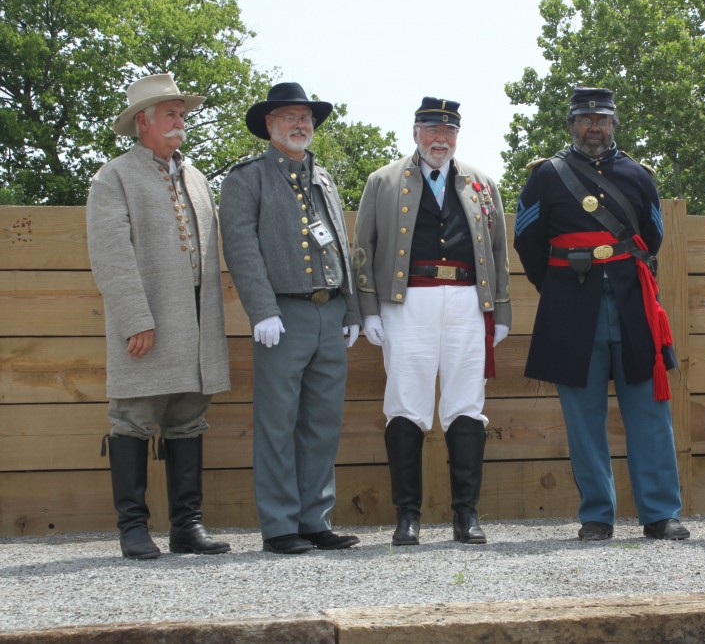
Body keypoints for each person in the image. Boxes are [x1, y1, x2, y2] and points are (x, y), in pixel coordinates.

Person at [513, 87, 688, 542]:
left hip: (632, 304)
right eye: (585, 119)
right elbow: (527, 241)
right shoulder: (545, 177)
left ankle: (660, 513)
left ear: (614, 124)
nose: (594, 127)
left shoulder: (638, 175)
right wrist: (553, 289)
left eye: (602, 119)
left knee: (650, 412)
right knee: (582, 417)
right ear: (570, 124)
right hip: (570, 307)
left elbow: (653, 236)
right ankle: (597, 515)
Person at [87, 73, 232, 559]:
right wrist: (134, 319)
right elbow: (110, 255)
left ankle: (186, 527)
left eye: (182, 113)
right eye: (170, 113)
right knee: (132, 416)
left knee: (188, 418)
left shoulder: (194, 176)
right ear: (142, 121)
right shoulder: (114, 176)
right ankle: (132, 528)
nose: (180, 121)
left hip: (196, 323)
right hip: (149, 321)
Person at [354, 97, 510, 546]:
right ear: (415, 132)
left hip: (467, 303)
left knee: (466, 404)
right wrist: (368, 308)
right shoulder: (382, 181)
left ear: (457, 136)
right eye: (431, 130)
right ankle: (407, 517)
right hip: (408, 304)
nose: (440, 139)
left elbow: (499, 253)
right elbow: (363, 246)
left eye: (448, 132)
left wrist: (500, 310)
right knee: (405, 403)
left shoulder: (482, 183)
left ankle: (467, 516)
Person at [220, 82, 362, 554]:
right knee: (278, 423)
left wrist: (353, 308)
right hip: (283, 315)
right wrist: (261, 309)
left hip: (330, 311)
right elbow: (241, 248)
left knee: (323, 423)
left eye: (306, 118)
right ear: (269, 125)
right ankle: (280, 525)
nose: (300, 125)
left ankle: (314, 518)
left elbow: (343, 245)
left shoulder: (323, 178)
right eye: (289, 117)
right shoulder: (247, 178)